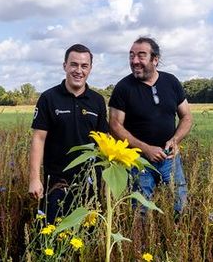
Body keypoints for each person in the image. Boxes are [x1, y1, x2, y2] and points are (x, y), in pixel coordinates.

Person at [108, 36, 192, 214]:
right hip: (137, 161)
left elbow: (186, 117)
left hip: (169, 158)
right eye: (131, 56)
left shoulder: (171, 82)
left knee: (181, 206)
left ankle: (177, 240)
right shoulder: (123, 88)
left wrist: (175, 140)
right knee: (140, 211)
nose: (134, 61)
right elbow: (115, 125)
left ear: (155, 59)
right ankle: (142, 242)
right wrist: (145, 149)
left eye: (141, 56)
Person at [29, 44, 108, 222]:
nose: (78, 70)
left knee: (86, 236)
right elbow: (38, 139)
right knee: (53, 235)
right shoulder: (49, 98)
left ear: (90, 69)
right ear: (64, 66)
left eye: (84, 66)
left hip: (90, 183)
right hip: (57, 183)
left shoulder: (97, 101)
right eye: (74, 65)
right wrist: (34, 178)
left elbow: (104, 141)